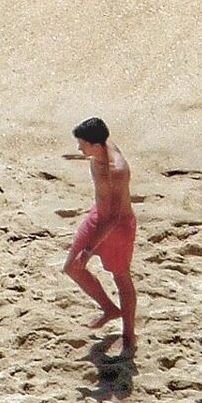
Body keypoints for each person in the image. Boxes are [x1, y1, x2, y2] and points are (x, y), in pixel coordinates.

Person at [64, 117, 138, 356]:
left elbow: (115, 218)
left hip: (118, 226)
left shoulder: (117, 170)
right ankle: (109, 309)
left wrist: (89, 251)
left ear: (96, 145)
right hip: (98, 216)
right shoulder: (97, 150)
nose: (79, 148)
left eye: (82, 144)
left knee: (121, 278)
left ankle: (129, 335)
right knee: (72, 268)